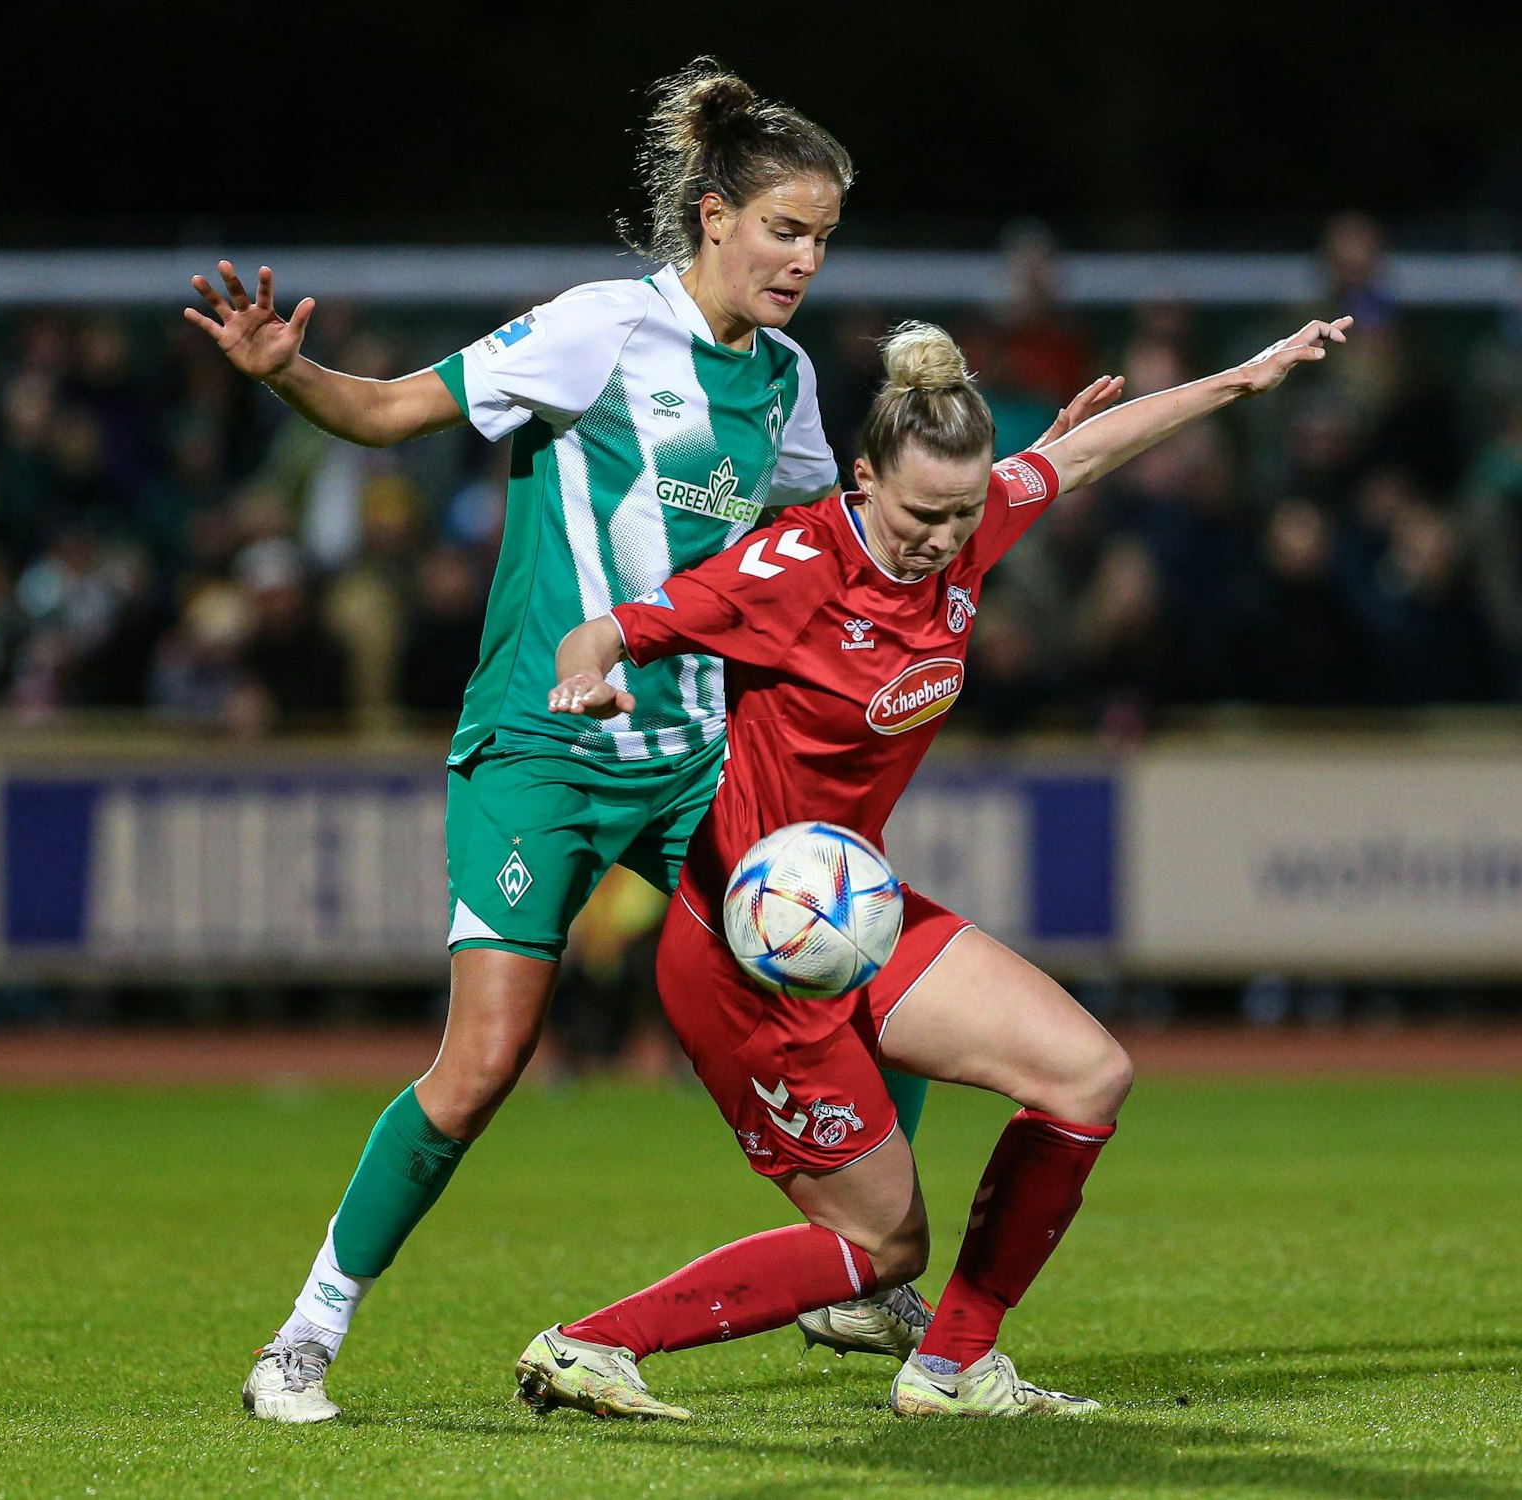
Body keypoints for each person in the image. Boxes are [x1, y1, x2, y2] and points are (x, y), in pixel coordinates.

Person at [189, 62, 1111, 1422]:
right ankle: (303, 1338)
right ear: (714, 217)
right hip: (542, 748)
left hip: (695, 762)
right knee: (484, 1063)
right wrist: (292, 378)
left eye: (823, 238)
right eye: (785, 230)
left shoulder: (785, 378)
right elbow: (385, 412)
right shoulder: (597, 330)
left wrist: (1011, 486)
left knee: (860, 957)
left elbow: (834, 535)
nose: (804, 261)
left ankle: (865, 1282)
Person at [522, 312, 1349, 1420]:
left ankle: (953, 1366)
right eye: (920, 515)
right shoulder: (790, 568)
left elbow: (1082, 456)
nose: (941, 538)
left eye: (962, 513)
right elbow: (611, 632)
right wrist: (587, 678)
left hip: (849, 916)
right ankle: (587, 1344)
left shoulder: (969, 525)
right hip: (748, 951)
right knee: (880, 1245)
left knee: (1087, 1075)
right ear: (862, 479)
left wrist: (1238, 381)